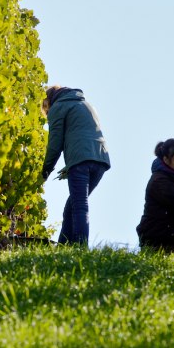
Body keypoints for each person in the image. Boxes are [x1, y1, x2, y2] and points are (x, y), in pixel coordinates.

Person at [41, 86, 111, 245]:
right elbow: (85, 135)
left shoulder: (58, 107)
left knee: (79, 205)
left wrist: (44, 173)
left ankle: (80, 247)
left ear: (48, 101)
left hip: (81, 161)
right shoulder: (86, 104)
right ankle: (64, 247)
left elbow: (55, 144)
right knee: (71, 206)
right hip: (100, 159)